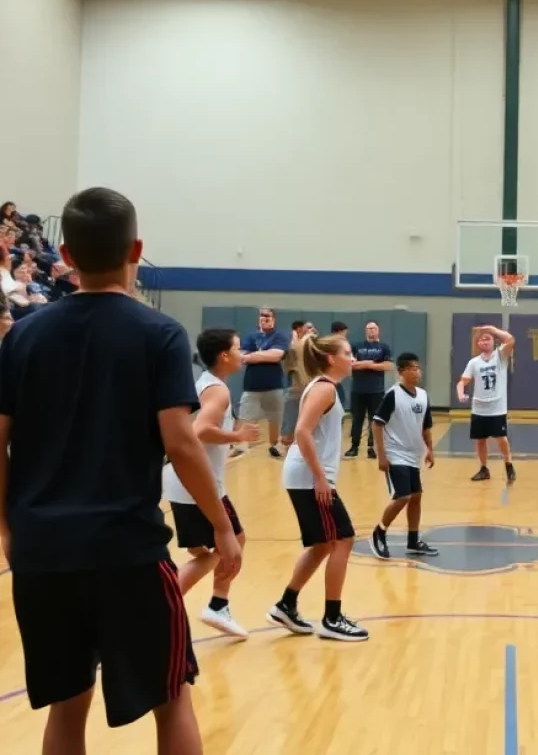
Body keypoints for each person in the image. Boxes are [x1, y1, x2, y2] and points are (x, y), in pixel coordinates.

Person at [0, 187, 241, 752]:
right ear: (137, 248)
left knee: (66, 705)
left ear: (65, 253)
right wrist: (223, 526)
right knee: (171, 698)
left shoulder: (24, 335)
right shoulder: (158, 333)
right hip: (126, 552)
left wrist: (8, 527)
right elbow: (181, 443)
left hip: (43, 553)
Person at [268, 332, 368, 642]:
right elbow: (302, 432)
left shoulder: (326, 388)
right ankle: (332, 618)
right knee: (343, 539)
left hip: (305, 477)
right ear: (331, 358)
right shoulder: (325, 388)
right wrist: (321, 478)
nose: (352, 358)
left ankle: (286, 604)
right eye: (347, 353)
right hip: (310, 477)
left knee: (324, 544)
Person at [163, 328, 260, 639]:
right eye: (238, 347)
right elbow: (201, 429)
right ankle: (166, 610)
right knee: (228, 545)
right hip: (199, 486)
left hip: (183, 482)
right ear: (224, 355)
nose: (243, 353)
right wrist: (238, 436)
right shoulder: (218, 391)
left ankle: (213, 605)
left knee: (216, 549)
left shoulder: (205, 383)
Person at [370, 352, 438, 560]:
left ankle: (413, 541)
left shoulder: (424, 395)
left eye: (418, 368)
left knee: (416, 497)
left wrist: (430, 450)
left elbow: (426, 427)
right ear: (402, 372)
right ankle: (379, 532)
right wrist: (381, 455)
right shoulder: (393, 394)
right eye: (413, 368)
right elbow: (377, 423)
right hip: (395, 453)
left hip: (413, 455)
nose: (417, 372)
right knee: (403, 496)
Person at [458, 324, 517, 483]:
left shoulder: (500, 356)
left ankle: (508, 464)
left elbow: (511, 339)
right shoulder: (474, 362)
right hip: (479, 408)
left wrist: (491, 329)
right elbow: (462, 382)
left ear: (494, 341)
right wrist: (461, 392)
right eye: (481, 339)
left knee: (501, 438)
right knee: (480, 440)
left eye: (488, 338)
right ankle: (484, 469)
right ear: (477, 344)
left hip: (497, 408)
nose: (484, 341)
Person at [239, 308, 290, 458]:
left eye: (268, 316)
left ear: (274, 318)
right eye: (262, 315)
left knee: (275, 420)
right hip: (251, 386)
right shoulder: (250, 335)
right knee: (246, 418)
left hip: (273, 385)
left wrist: (251, 356)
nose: (264, 318)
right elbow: (241, 355)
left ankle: (275, 447)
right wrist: (263, 355)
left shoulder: (280, 335)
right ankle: (241, 447)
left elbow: (276, 355)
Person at [345, 321, 393, 460]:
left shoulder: (384, 347)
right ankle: (354, 446)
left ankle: (372, 447)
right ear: (365, 331)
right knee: (357, 419)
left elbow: (388, 366)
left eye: (373, 328)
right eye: (368, 329)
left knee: (375, 419)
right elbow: (350, 364)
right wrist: (370, 363)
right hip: (358, 390)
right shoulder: (356, 346)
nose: (371, 331)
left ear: (378, 331)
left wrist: (366, 365)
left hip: (376, 390)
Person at [281, 320, 314, 450]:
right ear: (299, 330)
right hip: (297, 390)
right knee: (289, 431)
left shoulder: (313, 345)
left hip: (312, 390)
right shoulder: (292, 347)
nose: (312, 330)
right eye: (309, 328)